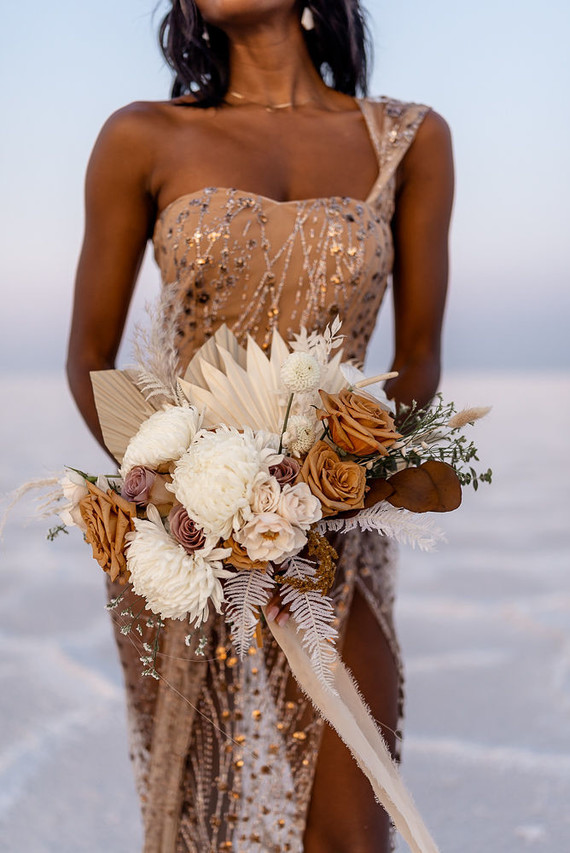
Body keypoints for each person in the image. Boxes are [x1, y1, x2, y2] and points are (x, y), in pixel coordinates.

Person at [66, 1, 453, 851]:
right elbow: (92, 353)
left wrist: (345, 485)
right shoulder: (140, 135)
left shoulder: (411, 140)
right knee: (196, 813)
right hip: (179, 532)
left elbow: (418, 353)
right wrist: (180, 491)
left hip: (331, 528)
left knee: (355, 824)